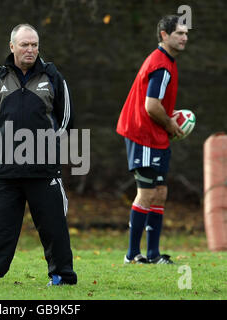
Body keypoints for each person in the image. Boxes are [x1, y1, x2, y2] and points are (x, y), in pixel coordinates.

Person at [0, 24, 77, 286]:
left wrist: (49, 149)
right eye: (24, 44)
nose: (30, 49)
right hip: (6, 170)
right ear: (12, 47)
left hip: (43, 170)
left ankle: (61, 276)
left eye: (34, 45)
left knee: (53, 226)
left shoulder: (52, 77)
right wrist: (4, 149)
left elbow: (66, 119)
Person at [116, 15, 188, 264]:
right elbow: (151, 105)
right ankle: (132, 255)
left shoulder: (167, 61)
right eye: (179, 33)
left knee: (160, 192)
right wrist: (171, 124)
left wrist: (168, 123)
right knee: (146, 193)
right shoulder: (161, 65)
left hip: (155, 136)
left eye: (186, 33)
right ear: (164, 35)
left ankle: (154, 255)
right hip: (143, 134)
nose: (184, 38)